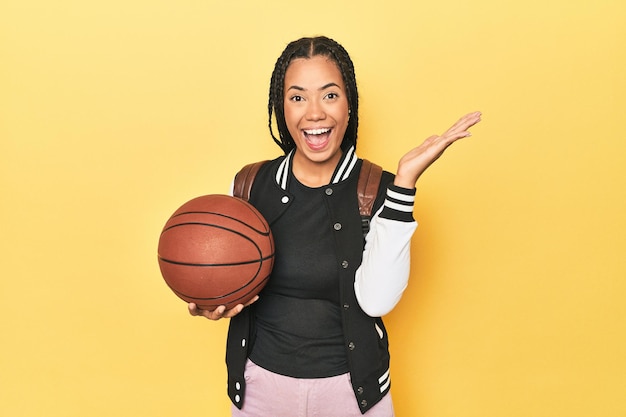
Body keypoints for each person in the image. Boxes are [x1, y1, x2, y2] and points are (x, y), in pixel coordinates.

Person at [188, 36, 481, 416]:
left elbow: (377, 301)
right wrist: (216, 298)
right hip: (260, 391)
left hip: (351, 395)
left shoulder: (378, 189)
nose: (314, 113)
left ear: (348, 105)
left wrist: (405, 183)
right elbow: (230, 275)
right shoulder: (249, 184)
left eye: (329, 95)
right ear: (282, 107)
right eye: (297, 97)